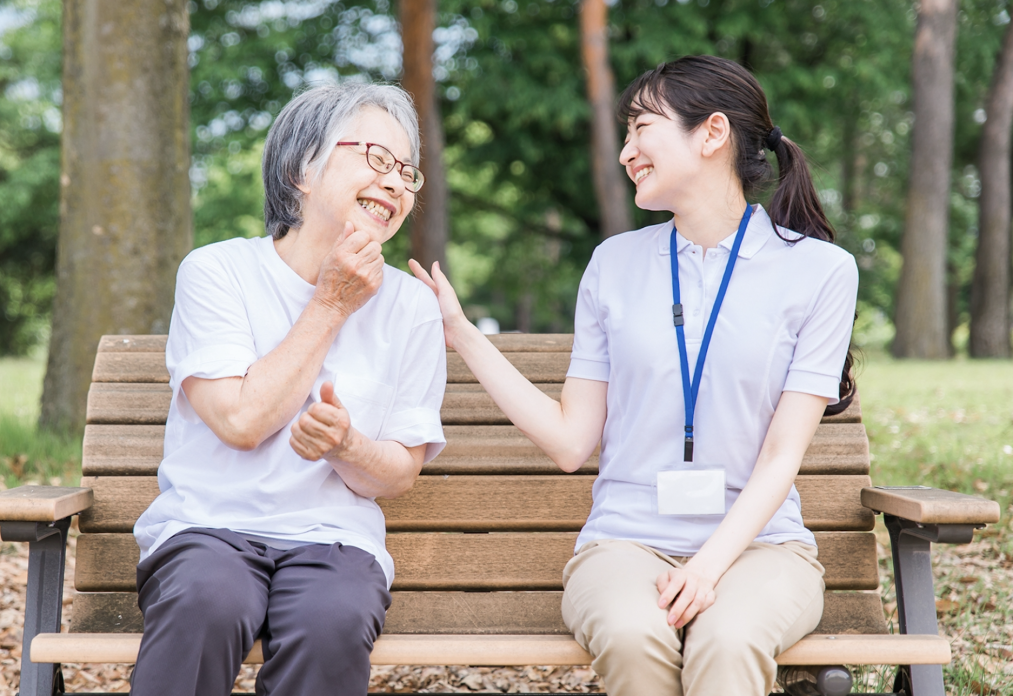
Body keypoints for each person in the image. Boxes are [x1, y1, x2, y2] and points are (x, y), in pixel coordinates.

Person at [410, 55, 858, 696]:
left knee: (728, 640)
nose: (626, 152)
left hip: (764, 548)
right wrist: (461, 333)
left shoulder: (822, 271)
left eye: (641, 127)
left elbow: (783, 455)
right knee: (631, 634)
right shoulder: (613, 264)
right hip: (623, 545)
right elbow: (570, 443)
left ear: (711, 134)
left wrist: (706, 568)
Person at [130, 83, 447, 696]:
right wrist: (331, 303)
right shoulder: (217, 271)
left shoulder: (412, 308)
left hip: (335, 540)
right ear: (301, 168)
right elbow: (239, 423)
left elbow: (396, 474)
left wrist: (348, 446)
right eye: (376, 158)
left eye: (407, 171)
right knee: (208, 598)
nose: (396, 182)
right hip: (208, 528)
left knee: (333, 619)